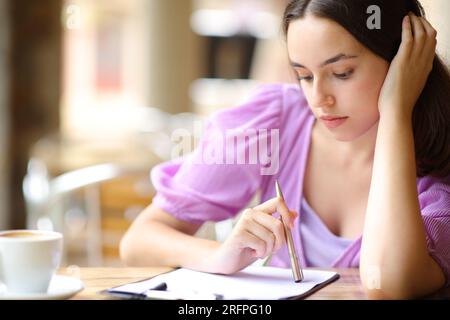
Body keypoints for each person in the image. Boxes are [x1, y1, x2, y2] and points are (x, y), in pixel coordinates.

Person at [120, 0, 450, 299]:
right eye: (304, 75)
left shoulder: (439, 172)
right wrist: (219, 255)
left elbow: (391, 284)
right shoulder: (273, 121)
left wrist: (396, 111)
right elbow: (139, 241)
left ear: (402, 61)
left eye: (341, 73)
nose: (319, 98)